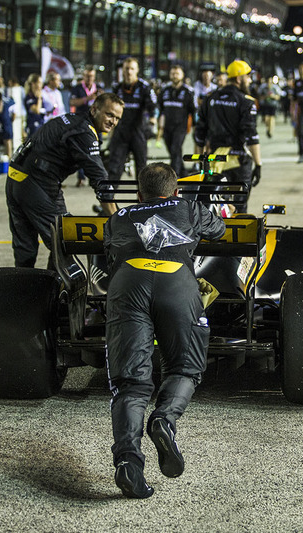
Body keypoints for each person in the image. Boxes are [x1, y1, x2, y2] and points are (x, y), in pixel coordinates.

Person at [103, 162, 226, 499]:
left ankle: (128, 464)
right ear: (175, 191)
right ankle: (165, 420)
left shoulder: (119, 217)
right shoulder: (189, 206)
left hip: (128, 284)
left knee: (131, 382)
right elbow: (220, 230)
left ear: (139, 193)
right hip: (177, 283)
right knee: (185, 367)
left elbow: (107, 251)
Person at [5, 93, 124, 268]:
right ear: (94, 109)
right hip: (37, 184)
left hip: (16, 178)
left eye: (117, 118)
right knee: (64, 242)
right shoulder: (84, 132)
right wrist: (117, 221)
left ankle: (24, 292)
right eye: (109, 114)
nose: (113, 121)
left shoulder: (74, 119)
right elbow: (99, 179)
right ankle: (55, 292)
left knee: (25, 248)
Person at [194, 59, 262, 213]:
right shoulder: (246, 102)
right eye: (248, 76)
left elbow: (199, 133)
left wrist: (199, 160)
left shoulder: (210, 98)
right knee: (239, 208)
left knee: (215, 206)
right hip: (239, 162)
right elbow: (251, 136)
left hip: (215, 161)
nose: (250, 80)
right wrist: (258, 165)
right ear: (239, 79)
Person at [107, 57, 158, 180]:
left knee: (142, 170)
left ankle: (143, 199)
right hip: (120, 134)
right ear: (122, 70)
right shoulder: (117, 88)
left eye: (132, 69)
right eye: (126, 69)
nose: (129, 72)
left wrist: (153, 120)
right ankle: (108, 198)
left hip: (138, 133)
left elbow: (154, 107)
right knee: (113, 168)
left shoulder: (144, 88)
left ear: (137, 70)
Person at [157, 65, 196, 177]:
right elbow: (159, 108)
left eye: (177, 73)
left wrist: (195, 126)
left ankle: (174, 175)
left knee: (175, 148)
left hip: (180, 127)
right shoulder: (165, 91)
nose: (174, 76)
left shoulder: (188, 92)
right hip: (167, 127)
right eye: (173, 73)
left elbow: (193, 111)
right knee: (173, 151)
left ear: (182, 75)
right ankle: (183, 172)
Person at [23, 73, 46, 138]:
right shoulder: (29, 97)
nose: (41, 85)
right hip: (33, 126)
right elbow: (36, 110)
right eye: (39, 83)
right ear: (33, 84)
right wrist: (39, 98)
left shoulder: (40, 96)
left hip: (41, 123)